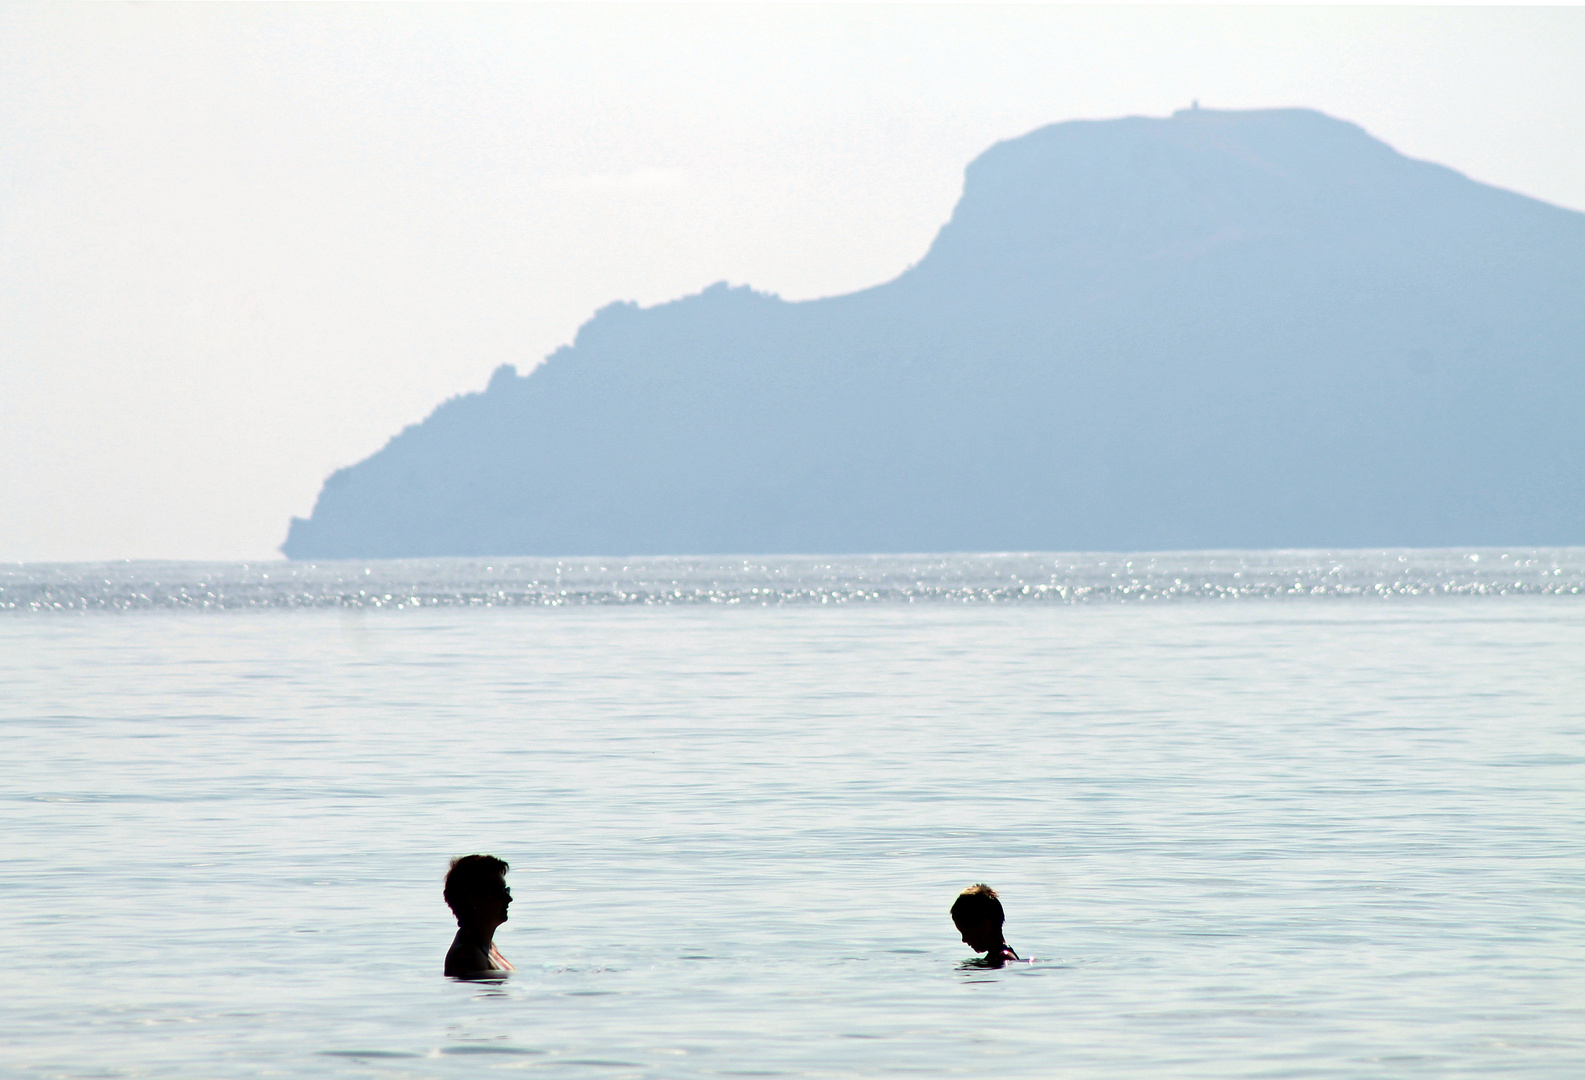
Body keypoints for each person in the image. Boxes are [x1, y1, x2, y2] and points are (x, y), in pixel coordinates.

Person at [443, 854, 515, 978]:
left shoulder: (487, 947)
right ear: (475, 898)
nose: (509, 898)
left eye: (507, 890)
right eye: (500, 892)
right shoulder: (467, 956)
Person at [950, 883, 1022, 967]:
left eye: (966, 933)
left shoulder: (1004, 957)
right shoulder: (995, 956)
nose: (964, 940)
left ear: (986, 925)